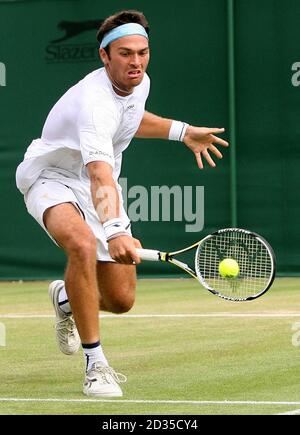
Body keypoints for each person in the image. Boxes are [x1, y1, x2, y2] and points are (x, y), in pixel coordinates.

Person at [16, 10, 229, 398]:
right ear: (104, 56)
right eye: (125, 53)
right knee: (80, 244)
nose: (136, 62)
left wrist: (181, 132)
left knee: (120, 300)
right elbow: (100, 173)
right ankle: (96, 365)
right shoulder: (93, 102)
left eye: (143, 53)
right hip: (52, 178)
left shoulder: (138, 83)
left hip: (95, 182)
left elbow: (130, 120)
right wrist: (114, 230)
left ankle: (65, 297)